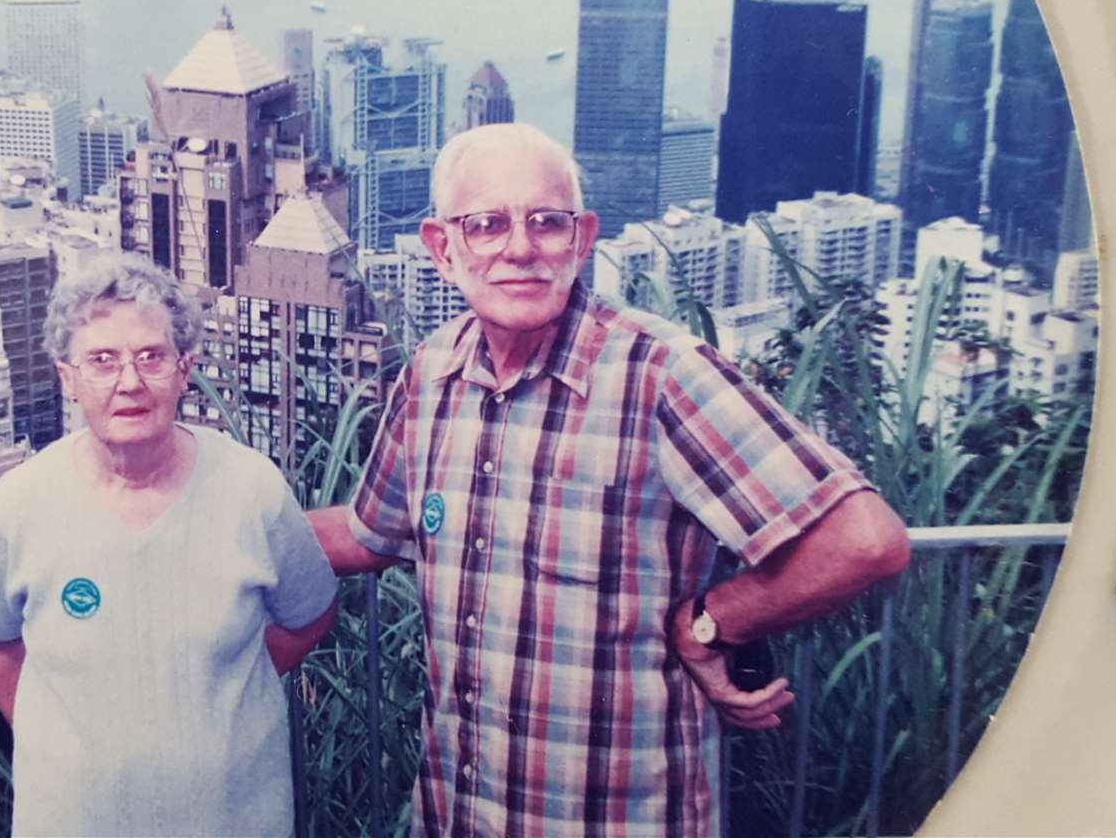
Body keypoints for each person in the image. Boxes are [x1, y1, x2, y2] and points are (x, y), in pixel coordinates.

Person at [308, 124, 911, 837]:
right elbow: (369, 532)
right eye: (487, 225)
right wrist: (219, 529)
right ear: (443, 248)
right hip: (461, 815)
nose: (520, 248)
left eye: (546, 222)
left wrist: (709, 625)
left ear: (582, 236)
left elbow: (863, 540)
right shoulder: (432, 376)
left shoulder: (658, 373)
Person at [0, 251, 339, 837]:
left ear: (185, 368)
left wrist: (220, 692)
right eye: (103, 361)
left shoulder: (252, 487)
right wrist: (52, 737)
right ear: (68, 378)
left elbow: (309, 615)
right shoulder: (21, 503)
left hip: (237, 821)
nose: (130, 382)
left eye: (151, 357)